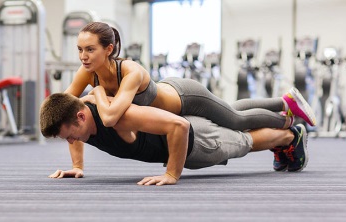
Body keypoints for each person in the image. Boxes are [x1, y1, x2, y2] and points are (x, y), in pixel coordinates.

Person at [65, 21, 315, 176]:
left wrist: (96, 94)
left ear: (108, 50)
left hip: (185, 98)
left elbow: (110, 116)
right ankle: (284, 101)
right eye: (79, 50)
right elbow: (63, 109)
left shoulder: (129, 70)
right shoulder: (86, 73)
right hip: (172, 109)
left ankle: (287, 119)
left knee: (235, 119)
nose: (83, 56)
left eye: (90, 49)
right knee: (230, 108)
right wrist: (77, 166)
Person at [40, 93, 308, 186]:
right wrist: (77, 167)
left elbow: (179, 126)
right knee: (232, 112)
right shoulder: (83, 113)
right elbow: (75, 138)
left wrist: (171, 173)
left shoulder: (117, 118)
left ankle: (289, 135)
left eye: (70, 135)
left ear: (81, 117)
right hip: (183, 128)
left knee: (244, 142)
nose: (72, 141)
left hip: (195, 141)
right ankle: (282, 106)